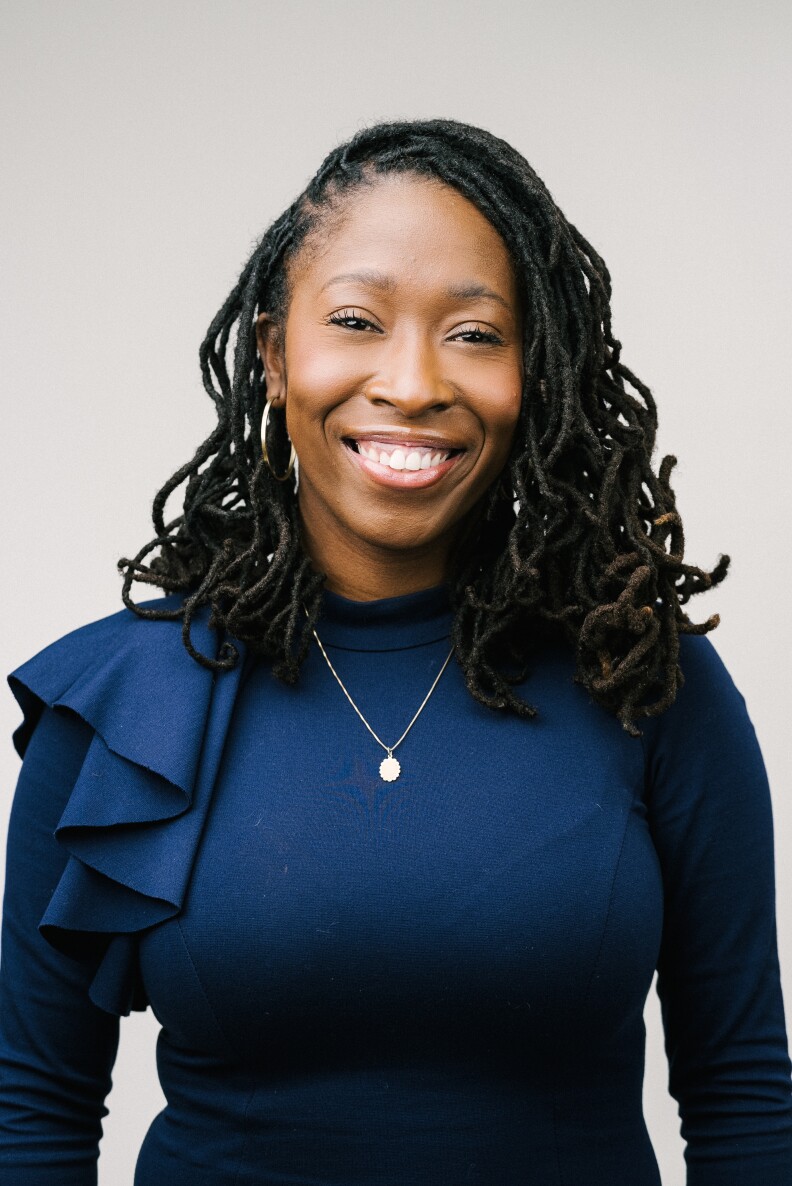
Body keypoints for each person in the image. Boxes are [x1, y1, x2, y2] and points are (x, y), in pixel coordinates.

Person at [1, 118, 790, 1185]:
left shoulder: (646, 679)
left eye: (475, 332)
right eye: (359, 321)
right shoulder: (122, 706)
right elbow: (32, 1109)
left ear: (536, 370)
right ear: (277, 355)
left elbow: (743, 1089)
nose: (413, 382)